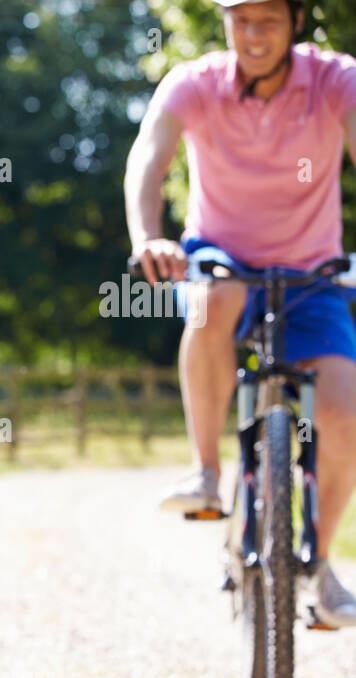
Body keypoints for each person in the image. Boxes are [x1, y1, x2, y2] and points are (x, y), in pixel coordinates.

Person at [125, 0, 356, 627]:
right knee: (213, 298)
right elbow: (149, 155)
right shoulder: (195, 84)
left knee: (342, 408)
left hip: (312, 275)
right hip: (221, 260)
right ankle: (205, 469)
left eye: (269, 21)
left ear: (297, 22)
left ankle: (323, 568)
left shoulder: (335, 80)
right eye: (240, 20)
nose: (253, 36)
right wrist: (150, 234)